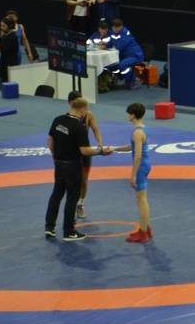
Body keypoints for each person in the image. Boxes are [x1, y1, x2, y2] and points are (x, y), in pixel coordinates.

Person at [45, 96, 111, 241]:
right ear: (82, 109)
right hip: (73, 165)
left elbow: (50, 141)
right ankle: (69, 231)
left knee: (56, 194)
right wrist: (101, 152)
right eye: (86, 109)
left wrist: (55, 157)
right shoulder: (79, 126)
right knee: (72, 197)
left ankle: (49, 227)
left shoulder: (58, 119)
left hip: (59, 163)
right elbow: (84, 151)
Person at [118, 102, 153, 243]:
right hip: (146, 164)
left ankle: (143, 233)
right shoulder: (143, 128)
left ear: (133, 115)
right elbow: (131, 147)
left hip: (141, 166)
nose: (128, 115)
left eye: (129, 113)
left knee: (141, 199)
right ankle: (146, 228)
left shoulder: (137, 133)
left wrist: (133, 175)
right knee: (141, 199)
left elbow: (137, 155)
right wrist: (114, 149)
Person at [69, 91, 104, 220]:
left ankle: (80, 204)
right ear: (71, 103)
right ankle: (71, 206)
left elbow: (95, 129)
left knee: (83, 180)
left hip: (85, 152)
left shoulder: (88, 115)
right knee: (72, 181)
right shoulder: (66, 117)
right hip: (72, 153)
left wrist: (99, 142)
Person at [105, 18, 145, 88]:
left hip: (135, 56)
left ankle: (134, 80)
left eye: (118, 27)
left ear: (121, 26)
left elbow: (119, 47)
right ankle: (118, 78)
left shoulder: (125, 33)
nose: (116, 29)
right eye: (114, 27)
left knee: (122, 65)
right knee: (110, 64)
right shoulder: (112, 33)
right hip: (124, 56)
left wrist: (110, 48)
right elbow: (110, 42)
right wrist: (105, 46)